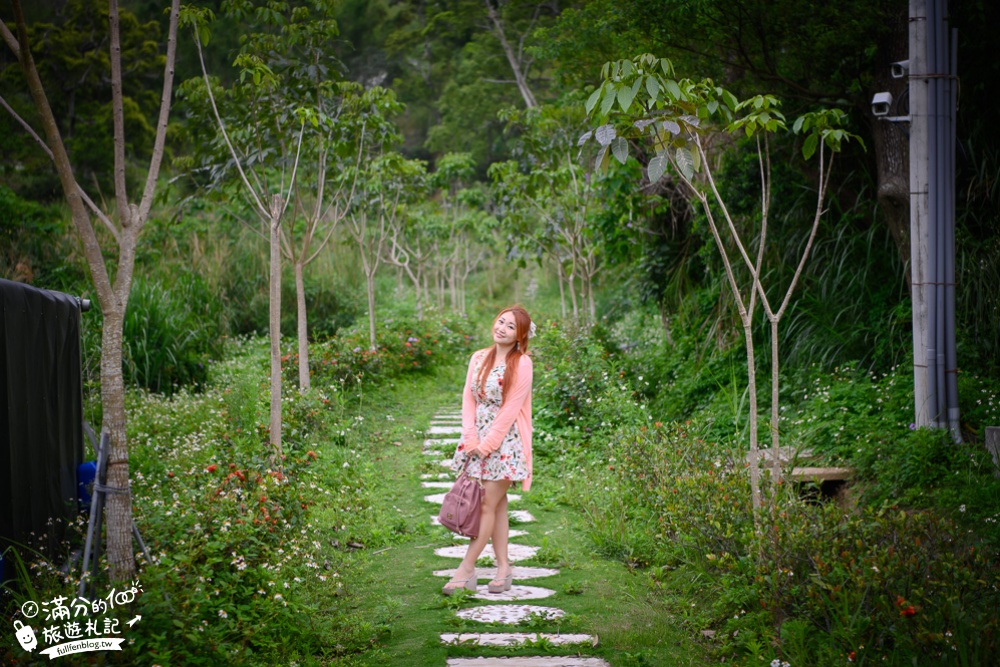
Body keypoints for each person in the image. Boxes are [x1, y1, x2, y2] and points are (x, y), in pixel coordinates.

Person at [442, 305, 535, 595]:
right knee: (496, 504)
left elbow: (511, 409)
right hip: (476, 440)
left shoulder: (522, 364)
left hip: (505, 444)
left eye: (510, 327)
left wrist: (487, 445)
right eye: (501, 321)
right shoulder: (478, 357)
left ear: (519, 336)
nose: (502, 328)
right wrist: (470, 439)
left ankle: (466, 570)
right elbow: (468, 399)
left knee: (484, 505)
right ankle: (504, 567)